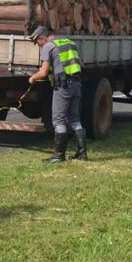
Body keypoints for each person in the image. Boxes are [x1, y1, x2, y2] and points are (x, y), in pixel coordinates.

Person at [28, 26, 87, 163]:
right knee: (74, 119)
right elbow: (79, 64)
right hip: (77, 85)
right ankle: (82, 153)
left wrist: (32, 78)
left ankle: (59, 156)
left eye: (37, 42)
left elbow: (43, 72)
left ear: (43, 37)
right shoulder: (70, 43)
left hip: (63, 87)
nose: (38, 45)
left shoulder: (48, 46)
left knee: (59, 120)